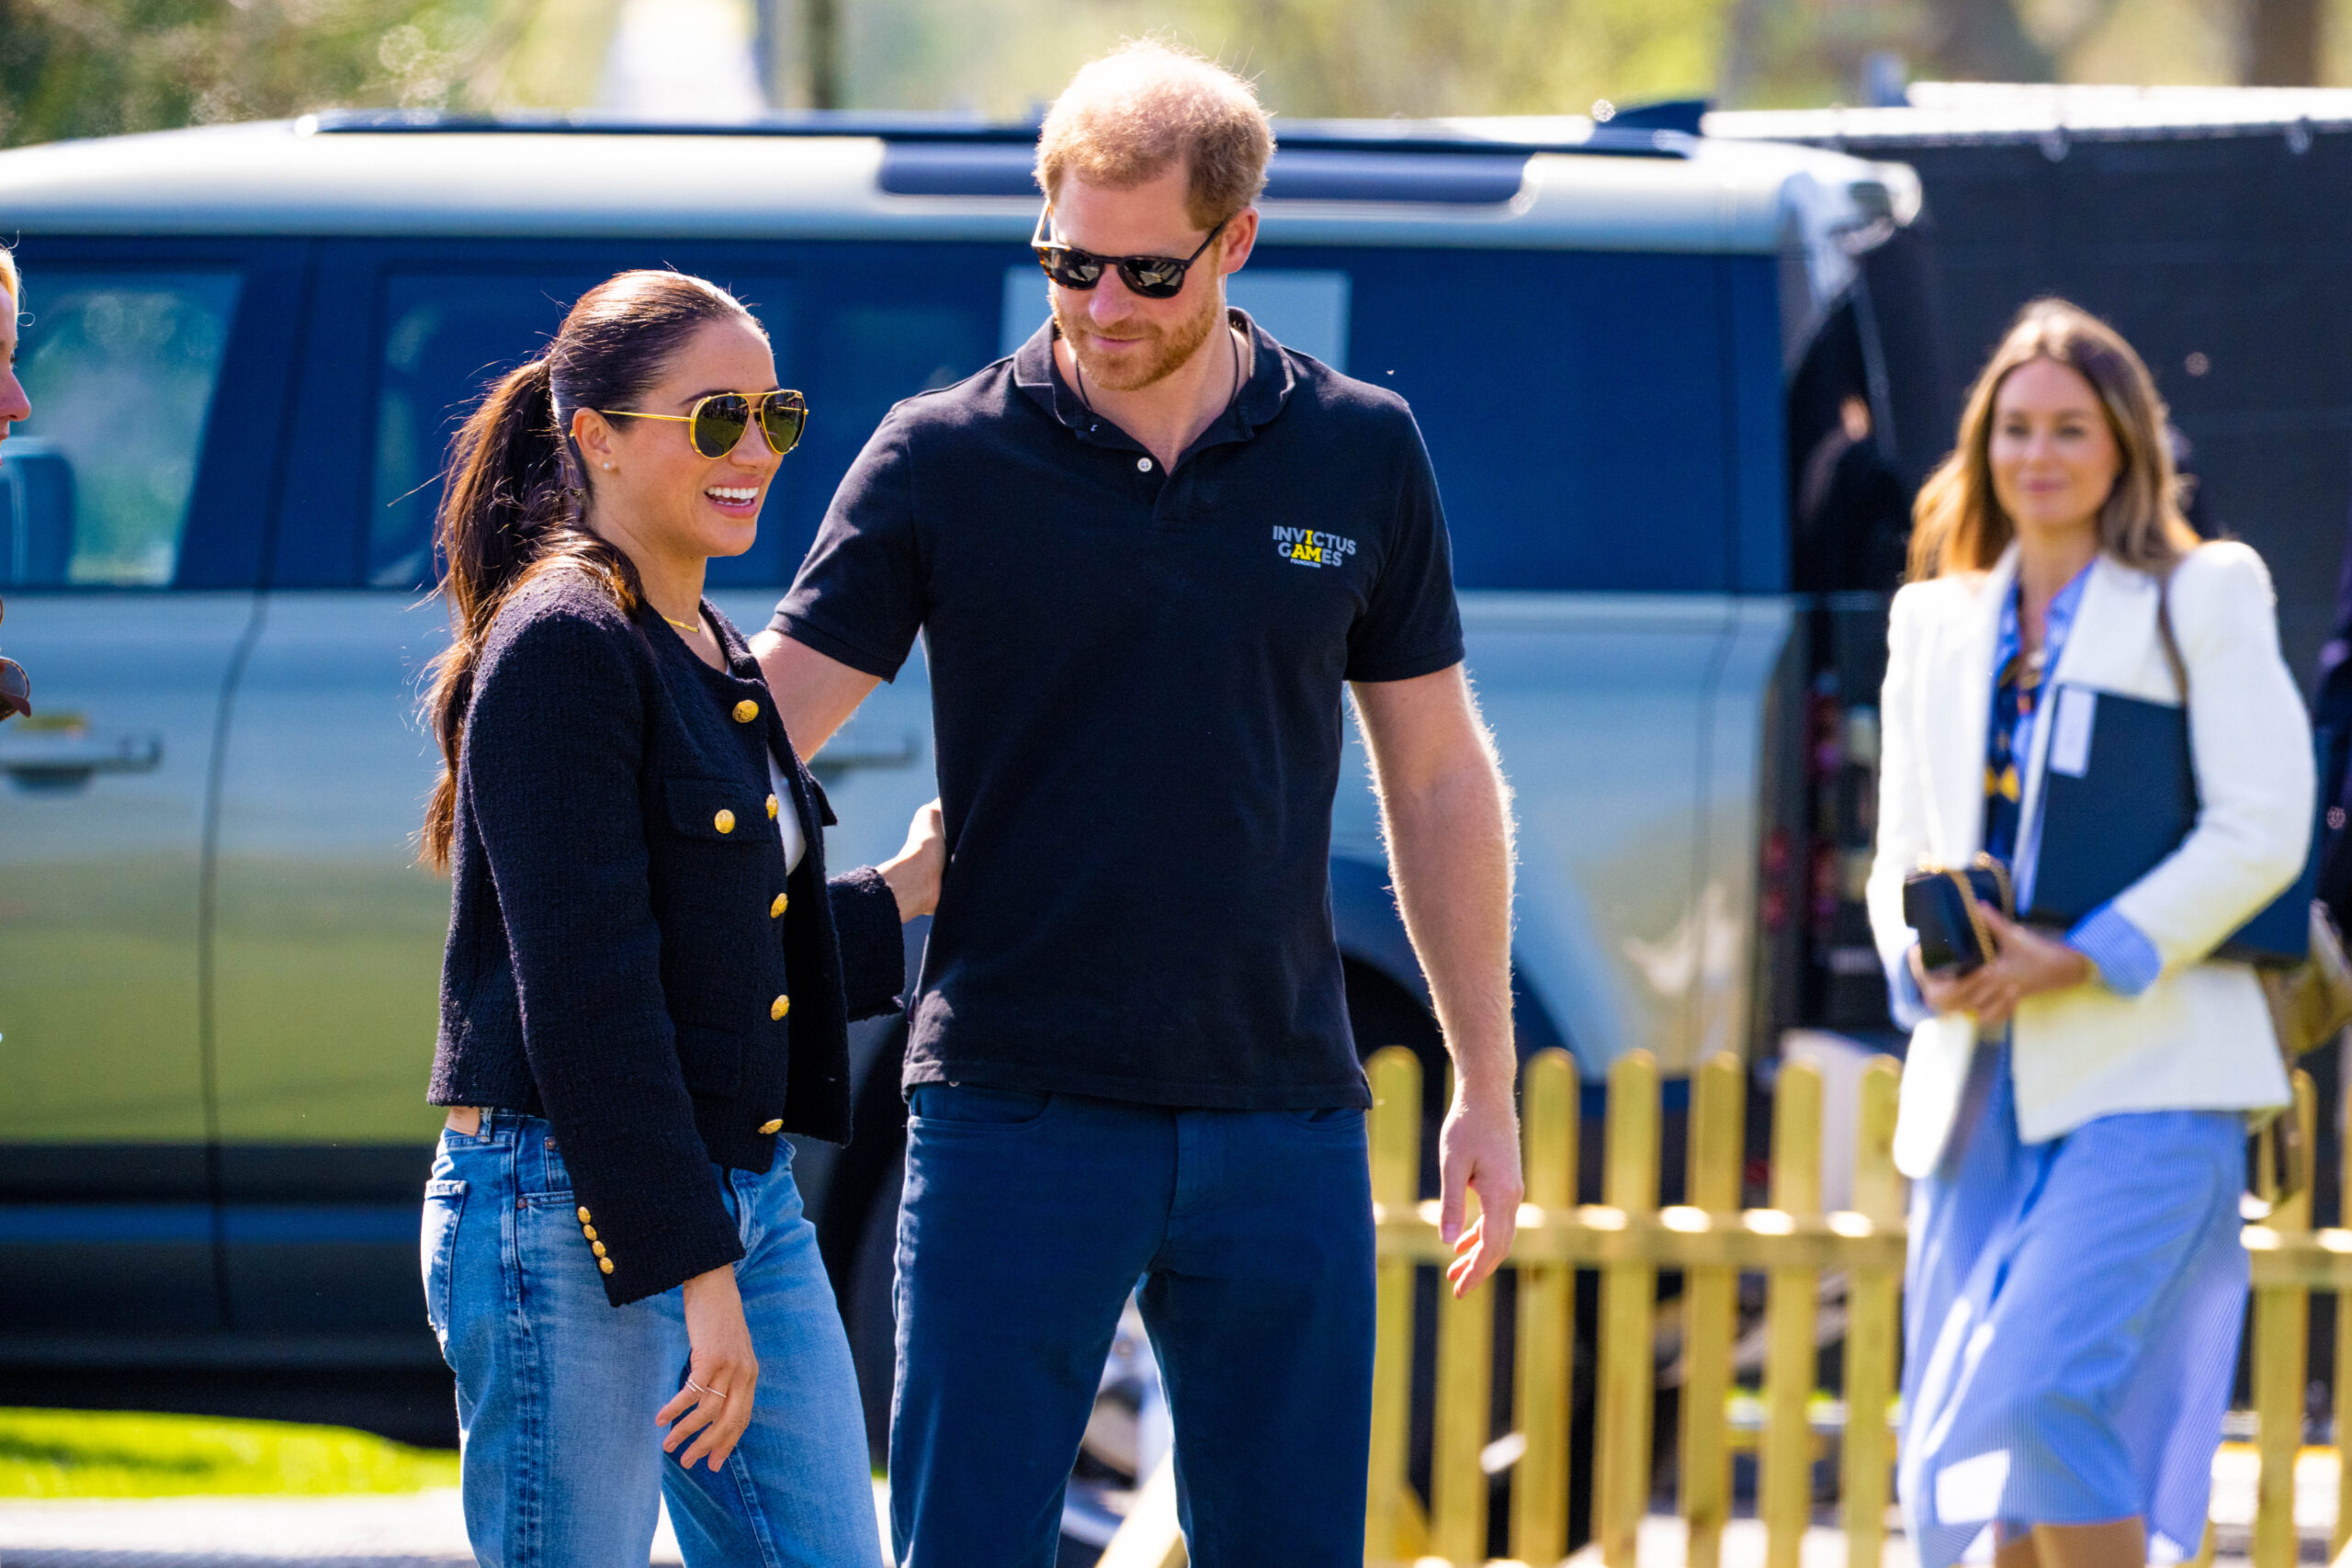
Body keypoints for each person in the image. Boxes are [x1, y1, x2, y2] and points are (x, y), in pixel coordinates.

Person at [752, 41, 1522, 1567]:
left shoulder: (1360, 448)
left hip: (1283, 1115)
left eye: (1146, 274)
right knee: (966, 1545)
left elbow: (1434, 773)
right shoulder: (939, 459)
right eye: (1066, 263)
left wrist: (1482, 1083)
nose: (1100, 308)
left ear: (1237, 243)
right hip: (1012, 1113)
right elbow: (759, 729)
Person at [415, 269, 944, 1568]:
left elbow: (717, 937)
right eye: (716, 420)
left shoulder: (706, 640)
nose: (755, 452)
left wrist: (911, 887)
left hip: (738, 1201)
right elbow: (592, 999)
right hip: (566, 1206)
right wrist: (691, 1273)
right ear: (594, 432)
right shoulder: (562, 646)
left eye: (777, 417)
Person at [1866, 298, 2312, 1568]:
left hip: (2156, 1074)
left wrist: (2093, 949)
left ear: (2126, 445)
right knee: (1994, 1450)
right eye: (2015, 428)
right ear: (1983, 444)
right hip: (1975, 1093)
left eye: (2071, 428)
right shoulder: (1933, 622)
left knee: (2039, 1386)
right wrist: (1925, 963)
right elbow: (1899, 844)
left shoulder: (2204, 593)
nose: (2039, 455)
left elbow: (2264, 826)